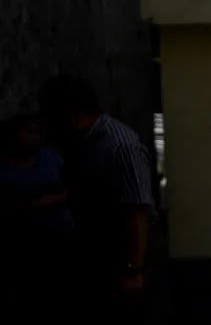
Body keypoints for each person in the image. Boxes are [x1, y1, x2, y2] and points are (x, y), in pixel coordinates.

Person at [38, 75, 155, 324]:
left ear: (70, 113)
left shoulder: (118, 145)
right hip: (98, 258)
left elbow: (137, 213)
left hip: (127, 261)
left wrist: (132, 269)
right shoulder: (81, 144)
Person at [0, 113, 75, 323]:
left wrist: (48, 201)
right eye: (29, 132)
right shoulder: (5, 165)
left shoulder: (49, 159)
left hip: (57, 237)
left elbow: (74, 187)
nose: (34, 138)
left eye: (37, 133)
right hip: (18, 242)